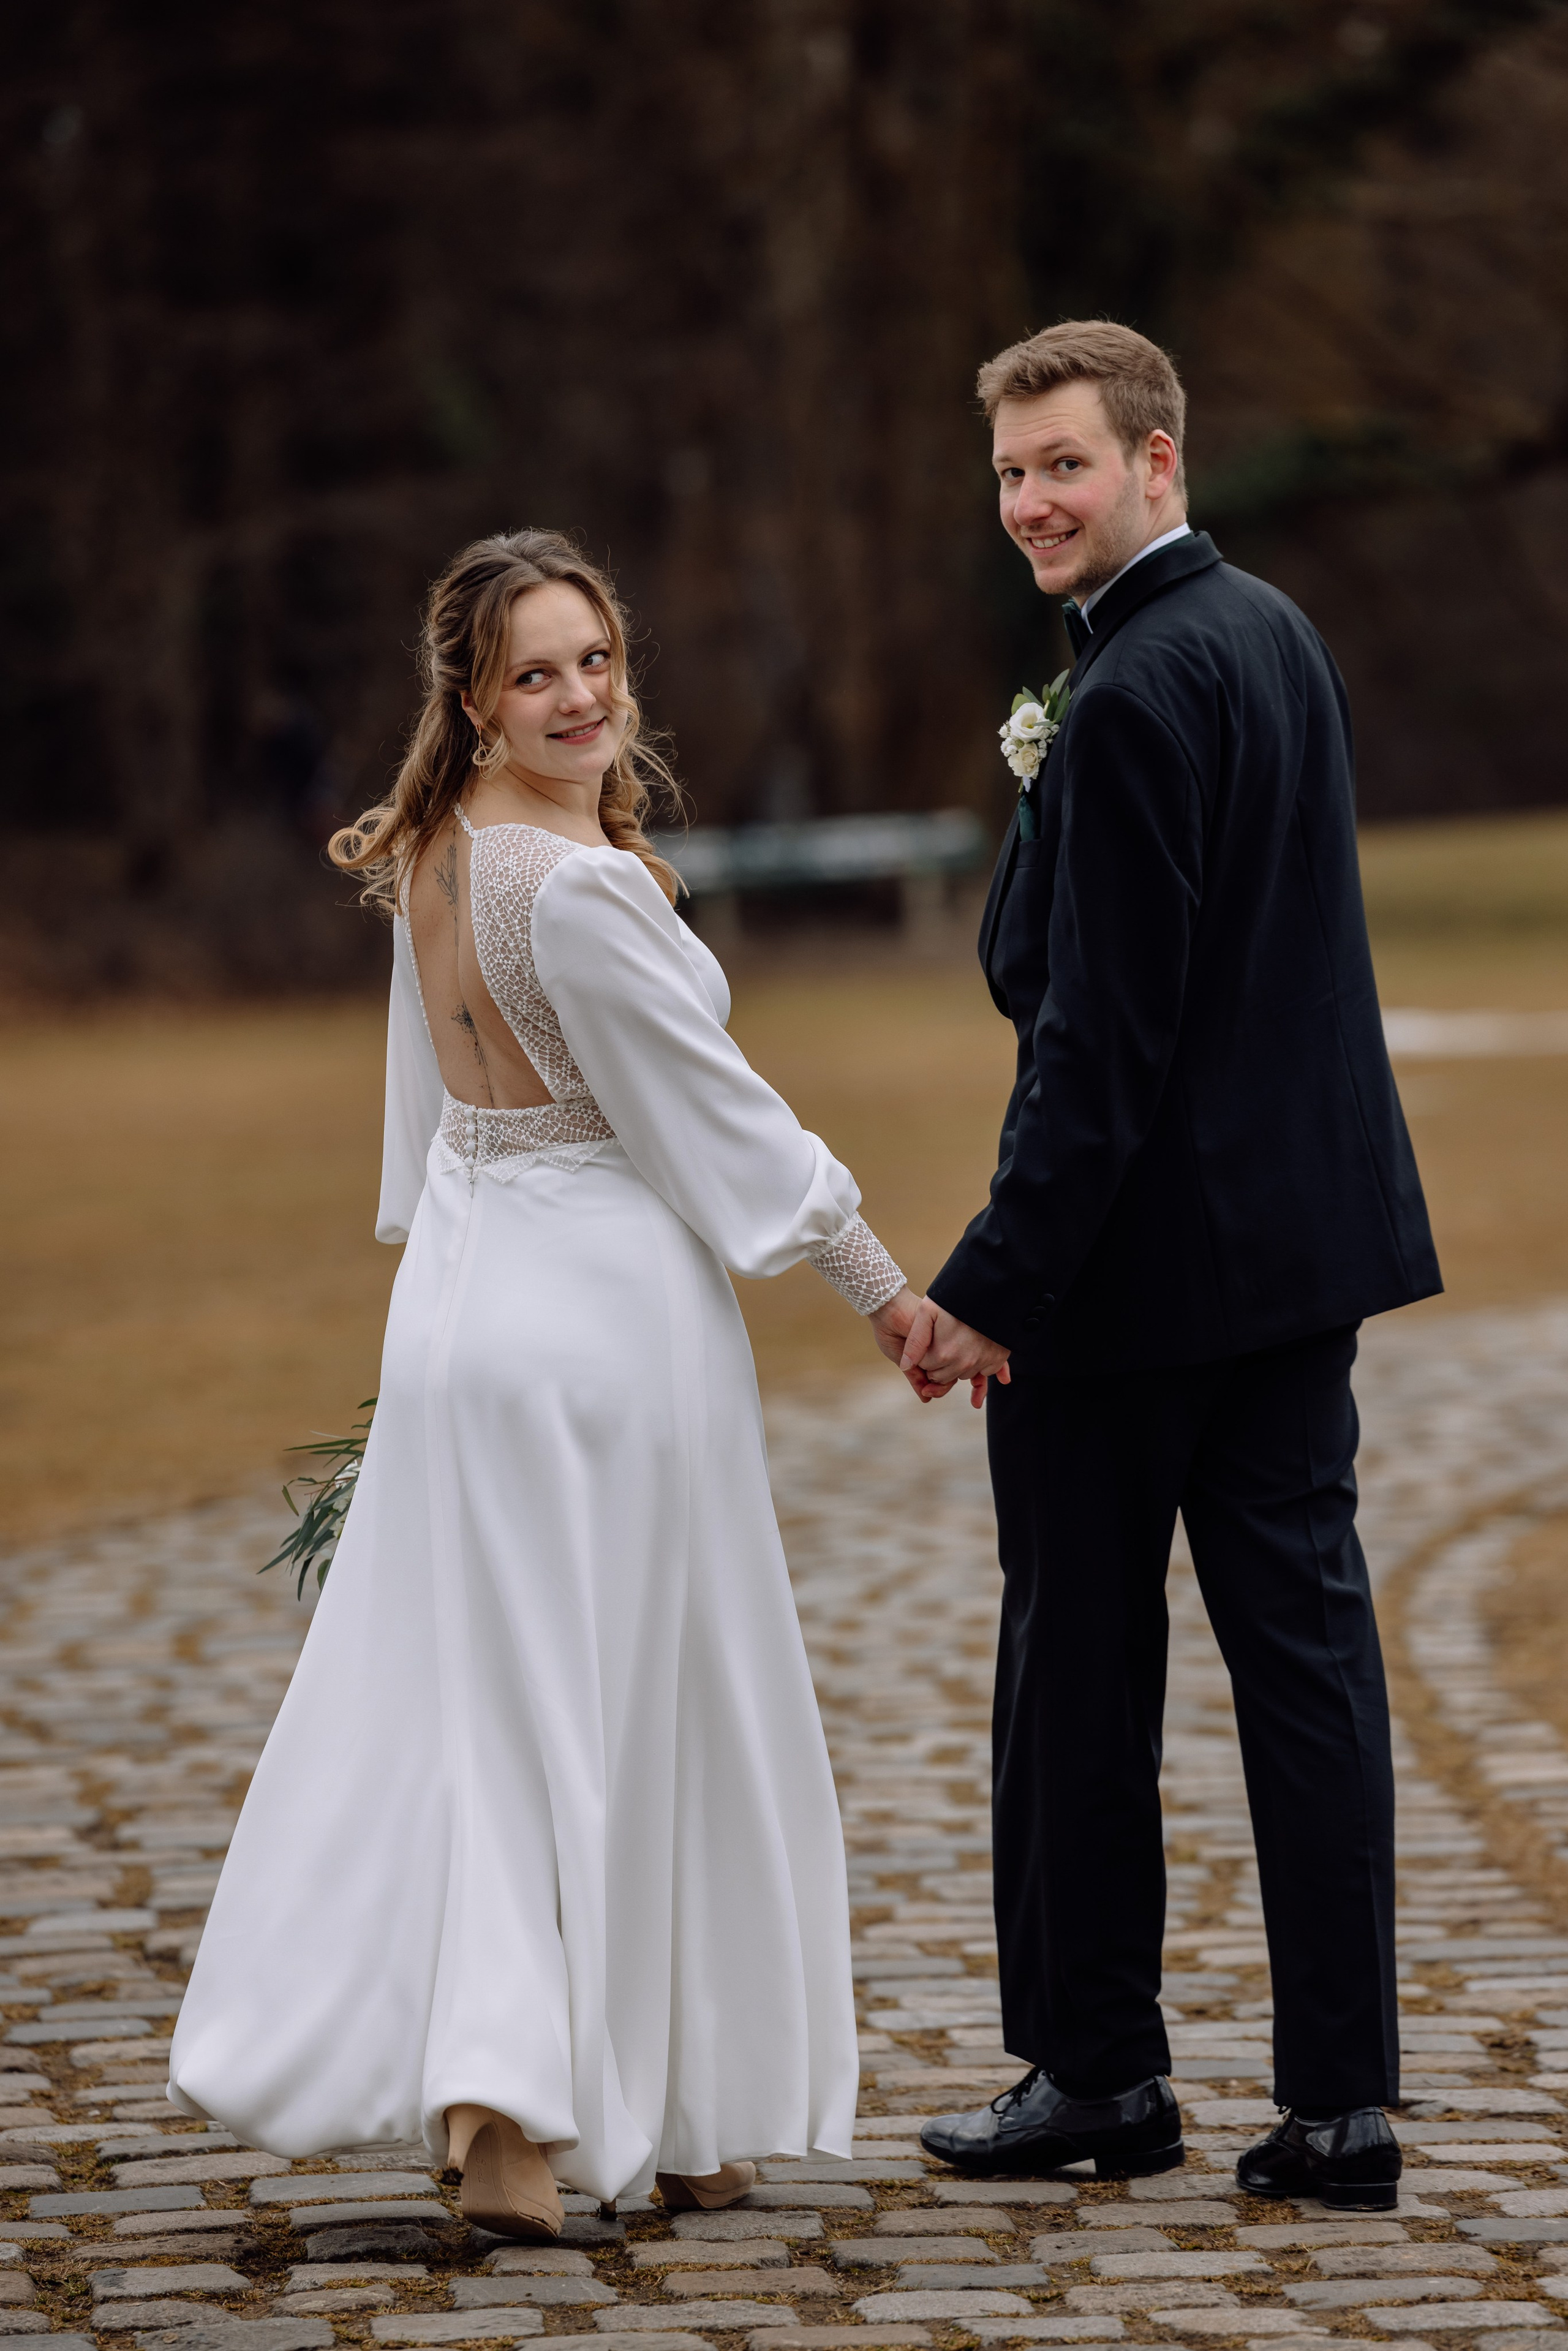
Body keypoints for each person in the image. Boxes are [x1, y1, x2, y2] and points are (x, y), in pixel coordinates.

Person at [167, 528, 924, 2238]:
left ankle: (656, 2106)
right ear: (475, 700)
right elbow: (722, 1122)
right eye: (537, 675)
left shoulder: (437, 855)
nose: (581, 696)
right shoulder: (576, 892)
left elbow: (434, 1131)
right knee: (639, 1699)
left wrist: (443, 1306)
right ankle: (522, 2108)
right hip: (602, 1336)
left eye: (596, 659)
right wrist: (888, 1294)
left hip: (464, 1312)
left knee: (501, 1708)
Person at [900, 322, 1441, 2209]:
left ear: (1158, 463)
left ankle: (1100, 2075)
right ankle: (1346, 2107)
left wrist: (991, 1285)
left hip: (1129, 1290)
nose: (1030, 502)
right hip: (1296, 1262)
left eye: (1063, 463)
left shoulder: (1130, 692)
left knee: (1076, 1671)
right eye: (1010, 472)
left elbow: (1101, 1048)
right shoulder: (1273, 634)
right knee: (1309, 1667)